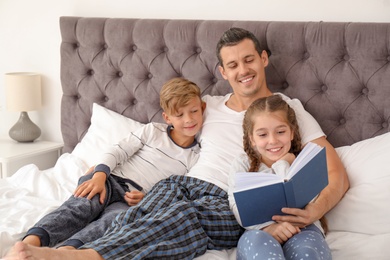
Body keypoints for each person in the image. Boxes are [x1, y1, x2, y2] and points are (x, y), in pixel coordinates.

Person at [6, 27, 348, 260]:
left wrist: (312, 213)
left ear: (263, 58)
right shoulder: (206, 107)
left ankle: (89, 257)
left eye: (248, 60)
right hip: (183, 184)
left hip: (229, 203)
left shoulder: (287, 110)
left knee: (183, 215)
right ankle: (68, 248)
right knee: (136, 212)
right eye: (232, 65)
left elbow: (336, 174)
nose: (243, 70)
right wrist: (110, 172)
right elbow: (161, 136)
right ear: (222, 71)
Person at [16, 77, 205, 250]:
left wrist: (147, 198)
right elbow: (117, 151)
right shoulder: (152, 131)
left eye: (194, 111)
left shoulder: (195, 157)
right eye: (179, 115)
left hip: (132, 200)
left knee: (114, 222)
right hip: (110, 179)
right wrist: (99, 176)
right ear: (167, 117)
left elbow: (176, 190)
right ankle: (29, 244)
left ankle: (68, 251)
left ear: (202, 108)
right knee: (82, 206)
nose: (188, 119)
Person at [228, 95, 331, 260]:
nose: (273, 141)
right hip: (258, 232)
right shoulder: (242, 164)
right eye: (262, 135)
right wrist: (269, 228)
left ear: (292, 132)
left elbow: (311, 200)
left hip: (303, 229)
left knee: (308, 252)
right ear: (252, 139)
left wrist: (282, 163)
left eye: (281, 132)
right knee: (257, 247)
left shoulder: (303, 161)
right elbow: (237, 207)